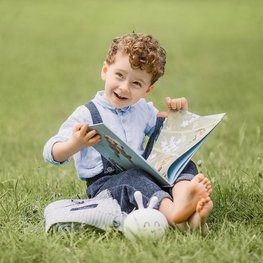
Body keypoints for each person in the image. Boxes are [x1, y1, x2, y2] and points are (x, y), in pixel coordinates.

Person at [43, 32, 213, 233]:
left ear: (147, 90)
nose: (124, 88)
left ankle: (187, 203)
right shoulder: (87, 113)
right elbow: (50, 152)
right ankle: (176, 214)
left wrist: (178, 114)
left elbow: (166, 131)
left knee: (180, 162)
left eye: (136, 84)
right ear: (105, 70)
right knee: (134, 179)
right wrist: (75, 144)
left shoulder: (142, 109)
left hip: (145, 175)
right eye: (119, 75)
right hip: (107, 186)